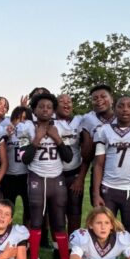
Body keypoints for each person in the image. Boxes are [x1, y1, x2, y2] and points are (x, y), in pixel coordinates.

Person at [16, 93, 74, 259]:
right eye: (41, 106)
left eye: (49, 107)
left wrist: (57, 139)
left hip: (57, 178)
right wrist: (37, 139)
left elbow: (68, 157)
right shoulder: (26, 127)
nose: (45, 110)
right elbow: (25, 159)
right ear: (34, 110)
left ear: (54, 110)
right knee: (36, 221)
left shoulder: (61, 127)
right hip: (37, 177)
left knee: (59, 222)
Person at [91, 96, 130, 253]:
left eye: (129, 106)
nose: (125, 109)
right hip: (108, 188)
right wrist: (96, 193)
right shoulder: (104, 130)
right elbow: (98, 164)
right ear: (114, 109)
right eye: (120, 106)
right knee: (104, 228)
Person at [56, 94, 86, 234]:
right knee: (56, 210)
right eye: (62, 101)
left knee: (74, 210)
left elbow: (86, 153)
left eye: (69, 101)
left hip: (74, 173)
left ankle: (74, 242)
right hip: (55, 174)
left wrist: (80, 178)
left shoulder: (80, 121)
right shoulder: (50, 121)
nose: (66, 104)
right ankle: (58, 245)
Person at [0, 106, 32, 227]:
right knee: (7, 209)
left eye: (25, 118)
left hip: (26, 176)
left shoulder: (30, 133)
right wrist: (6, 137)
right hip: (9, 176)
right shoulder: (6, 132)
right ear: (12, 119)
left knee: (29, 210)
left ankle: (26, 234)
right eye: (18, 118)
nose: (21, 121)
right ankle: (7, 233)